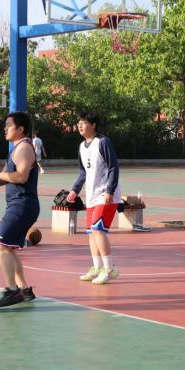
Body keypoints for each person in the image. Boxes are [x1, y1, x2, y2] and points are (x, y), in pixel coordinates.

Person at [0, 112, 39, 307]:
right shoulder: (17, 149)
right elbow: (4, 178)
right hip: (20, 205)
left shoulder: (24, 148)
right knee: (8, 247)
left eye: (8, 125)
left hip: (23, 204)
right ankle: (24, 289)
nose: (5, 128)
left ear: (20, 129)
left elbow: (20, 177)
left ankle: (12, 291)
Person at [67, 112, 122, 284]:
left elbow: (113, 167)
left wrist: (109, 191)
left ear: (93, 125)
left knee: (98, 230)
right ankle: (97, 267)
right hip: (91, 195)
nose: (79, 125)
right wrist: (75, 190)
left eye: (83, 122)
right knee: (91, 232)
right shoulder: (81, 147)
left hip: (105, 194)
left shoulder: (103, 142)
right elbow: (83, 172)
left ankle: (109, 268)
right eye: (78, 123)